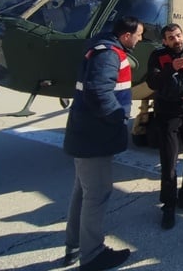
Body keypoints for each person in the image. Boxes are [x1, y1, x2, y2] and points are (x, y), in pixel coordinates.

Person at [63, 16, 143, 270]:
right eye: (138, 35)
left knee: (82, 192)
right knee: (96, 195)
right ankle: (92, 255)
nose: (140, 39)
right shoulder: (110, 54)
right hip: (95, 136)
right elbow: (98, 91)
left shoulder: (99, 48)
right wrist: (119, 117)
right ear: (126, 35)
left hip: (86, 133)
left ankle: (74, 246)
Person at [146, 23, 183, 230]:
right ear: (165, 41)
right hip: (167, 113)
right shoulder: (158, 55)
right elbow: (153, 82)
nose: (177, 40)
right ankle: (169, 206)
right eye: (171, 38)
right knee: (169, 162)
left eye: (178, 35)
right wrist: (171, 67)